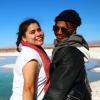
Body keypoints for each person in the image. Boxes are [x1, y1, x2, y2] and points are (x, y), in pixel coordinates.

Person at [43, 9, 91, 100]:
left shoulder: (70, 51)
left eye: (64, 30)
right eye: (56, 28)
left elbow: (57, 90)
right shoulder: (67, 47)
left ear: (73, 31)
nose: (59, 32)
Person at [10, 18, 51, 100]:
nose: (38, 34)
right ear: (24, 38)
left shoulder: (32, 51)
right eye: (33, 32)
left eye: (39, 30)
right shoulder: (31, 55)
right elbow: (28, 89)